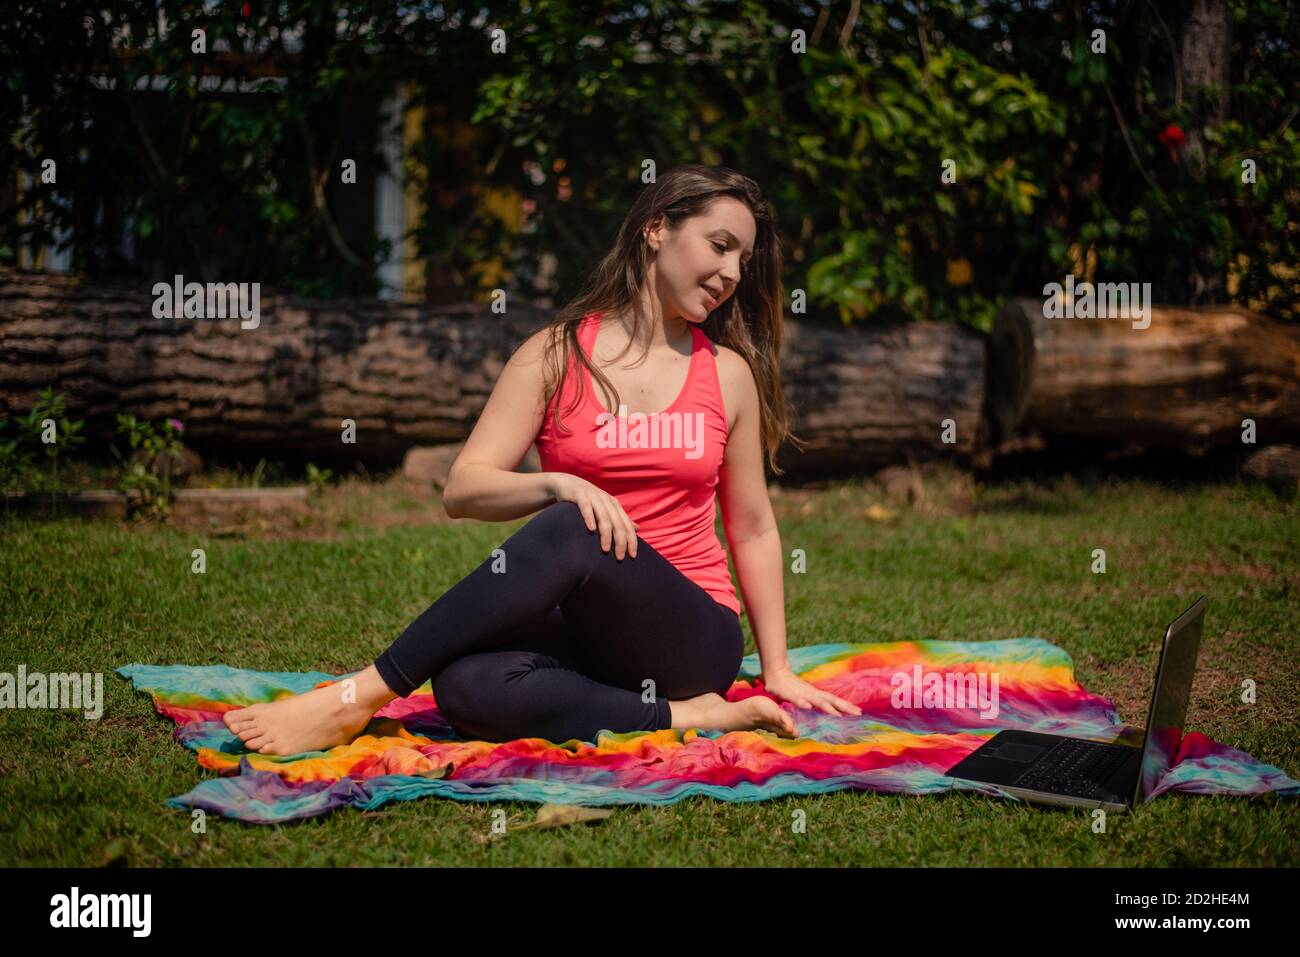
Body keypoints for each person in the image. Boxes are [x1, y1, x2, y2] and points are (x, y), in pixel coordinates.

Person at [224, 164, 861, 755]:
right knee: (466, 687)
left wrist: (776, 669)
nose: (732, 273)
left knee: (573, 523)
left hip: (689, 635)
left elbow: (751, 526)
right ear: (656, 228)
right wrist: (556, 482)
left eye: (744, 260)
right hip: (585, 633)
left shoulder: (726, 374)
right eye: (721, 246)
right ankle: (689, 716)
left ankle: (355, 697)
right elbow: (463, 489)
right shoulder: (555, 354)